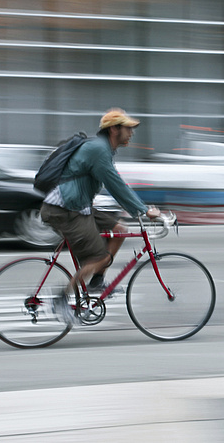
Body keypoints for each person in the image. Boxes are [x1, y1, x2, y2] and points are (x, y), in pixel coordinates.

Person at [40, 108, 160, 320]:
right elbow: (116, 184)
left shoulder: (103, 149)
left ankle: (96, 281)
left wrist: (137, 208)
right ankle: (60, 299)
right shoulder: (99, 150)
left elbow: (114, 183)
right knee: (98, 257)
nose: (131, 133)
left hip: (78, 205)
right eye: (128, 128)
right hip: (64, 209)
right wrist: (143, 210)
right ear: (114, 129)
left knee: (120, 231)